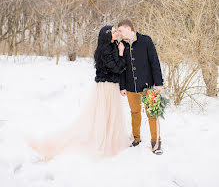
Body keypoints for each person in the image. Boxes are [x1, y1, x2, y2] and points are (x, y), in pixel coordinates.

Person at [27, 25, 132, 161]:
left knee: (110, 114)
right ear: (107, 36)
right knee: (105, 113)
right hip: (106, 87)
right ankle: (104, 141)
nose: (116, 33)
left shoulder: (111, 46)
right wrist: (122, 53)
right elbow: (117, 68)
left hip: (111, 86)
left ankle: (110, 139)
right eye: (113, 32)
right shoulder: (106, 50)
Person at [118, 19, 164, 155]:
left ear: (128, 28)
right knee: (135, 113)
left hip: (148, 86)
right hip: (131, 87)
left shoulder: (146, 41)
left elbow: (155, 62)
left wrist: (159, 83)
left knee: (152, 114)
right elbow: (121, 68)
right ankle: (136, 139)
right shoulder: (121, 45)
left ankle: (156, 142)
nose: (119, 33)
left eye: (120, 30)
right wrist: (122, 86)